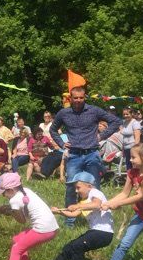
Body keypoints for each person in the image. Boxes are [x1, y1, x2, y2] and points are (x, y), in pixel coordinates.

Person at [49, 86, 121, 227]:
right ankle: (70, 221)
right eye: (75, 98)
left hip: (92, 154)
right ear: (70, 98)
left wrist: (102, 136)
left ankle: (97, 220)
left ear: (85, 97)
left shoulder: (94, 110)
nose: (78, 100)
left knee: (94, 187)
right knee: (71, 187)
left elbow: (115, 121)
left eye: (81, 97)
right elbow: (53, 129)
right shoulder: (64, 113)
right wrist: (62, 144)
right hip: (74, 155)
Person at [38, 172, 113, 260]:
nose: (76, 191)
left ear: (89, 186)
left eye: (78, 187)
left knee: (78, 246)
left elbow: (97, 205)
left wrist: (77, 206)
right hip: (95, 231)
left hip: (104, 233)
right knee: (69, 247)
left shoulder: (95, 192)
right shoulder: (84, 202)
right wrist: (58, 211)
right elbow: (73, 214)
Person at [0, 172, 59, 260]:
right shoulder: (25, 191)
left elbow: (22, 220)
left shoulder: (14, 201)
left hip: (43, 230)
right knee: (17, 240)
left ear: (11, 189)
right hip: (52, 228)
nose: (3, 196)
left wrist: (9, 211)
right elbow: (22, 212)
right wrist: (9, 210)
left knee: (16, 249)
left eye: (4, 192)